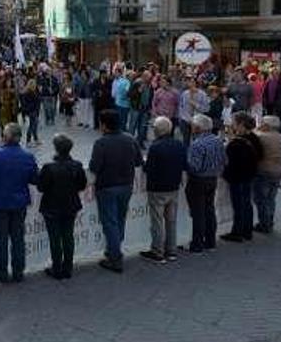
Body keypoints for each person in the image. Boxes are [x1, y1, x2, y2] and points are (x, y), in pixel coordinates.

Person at [0, 122, 38, 283]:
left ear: (5, 137)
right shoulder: (28, 156)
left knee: (1, 239)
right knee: (18, 238)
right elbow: (35, 179)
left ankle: (2, 273)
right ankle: (18, 272)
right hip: (19, 203)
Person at [89, 109, 143, 273]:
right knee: (120, 219)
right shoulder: (130, 139)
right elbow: (139, 161)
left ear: (104, 125)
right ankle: (114, 249)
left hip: (107, 186)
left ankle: (115, 257)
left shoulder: (101, 143)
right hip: (126, 185)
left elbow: (94, 167)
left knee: (110, 222)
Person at [36, 134, 86, 280]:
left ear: (56, 149)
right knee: (68, 236)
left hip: (52, 207)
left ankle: (57, 267)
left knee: (55, 238)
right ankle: (68, 267)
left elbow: (41, 187)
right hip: (71, 205)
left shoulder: (49, 168)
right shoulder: (77, 165)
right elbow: (82, 185)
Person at [140, 117, 186, 264]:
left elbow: (148, 169)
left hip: (158, 188)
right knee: (171, 220)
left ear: (157, 131)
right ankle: (171, 250)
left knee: (157, 221)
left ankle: (157, 251)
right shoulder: (178, 144)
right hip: (173, 186)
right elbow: (184, 164)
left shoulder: (155, 147)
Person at [184, 114, 226, 253]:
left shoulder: (197, 144)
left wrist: (185, 164)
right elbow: (224, 161)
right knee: (209, 209)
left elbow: (194, 167)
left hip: (198, 180)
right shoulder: (218, 140)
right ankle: (210, 241)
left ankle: (197, 243)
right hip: (212, 178)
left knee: (198, 213)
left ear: (197, 128)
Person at [221, 112, 263, 243]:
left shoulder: (236, 143)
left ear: (241, 125)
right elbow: (260, 156)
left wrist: (225, 175)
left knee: (238, 205)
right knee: (246, 203)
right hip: (249, 176)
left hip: (237, 178)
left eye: (234, 123)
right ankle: (247, 230)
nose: (232, 126)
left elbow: (228, 162)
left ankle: (237, 231)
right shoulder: (255, 138)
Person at [254, 116, 281, 234]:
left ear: (267, 126)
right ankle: (270, 220)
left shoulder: (263, 137)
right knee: (271, 198)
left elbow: (253, 135)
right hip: (277, 171)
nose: (260, 124)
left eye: (262, 122)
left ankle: (264, 223)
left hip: (264, 171)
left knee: (261, 199)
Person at [179, 77, 210, 146]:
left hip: (197, 121)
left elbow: (206, 108)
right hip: (186, 120)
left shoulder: (202, 94)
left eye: (192, 82)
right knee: (185, 140)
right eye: (189, 82)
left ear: (196, 84)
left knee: (197, 141)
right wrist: (184, 117)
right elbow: (181, 107)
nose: (190, 84)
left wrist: (196, 105)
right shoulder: (184, 94)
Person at [20, 79, 41, 146]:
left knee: (35, 126)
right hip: (31, 111)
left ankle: (36, 139)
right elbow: (26, 103)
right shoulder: (27, 93)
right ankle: (28, 141)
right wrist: (32, 107)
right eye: (33, 84)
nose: (34, 86)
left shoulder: (35, 91)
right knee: (32, 126)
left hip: (35, 111)